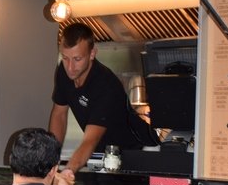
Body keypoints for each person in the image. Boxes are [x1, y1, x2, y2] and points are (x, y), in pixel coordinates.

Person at [48, 22, 157, 175]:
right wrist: (51, 161)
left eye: (77, 59)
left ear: (92, 54)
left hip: (139, 153)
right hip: (105, 154)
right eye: (65, 58)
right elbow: (59, 114)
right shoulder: (63, 71)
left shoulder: (105, 84)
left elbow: (90, 140)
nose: (70, 67)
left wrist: (66, 174)